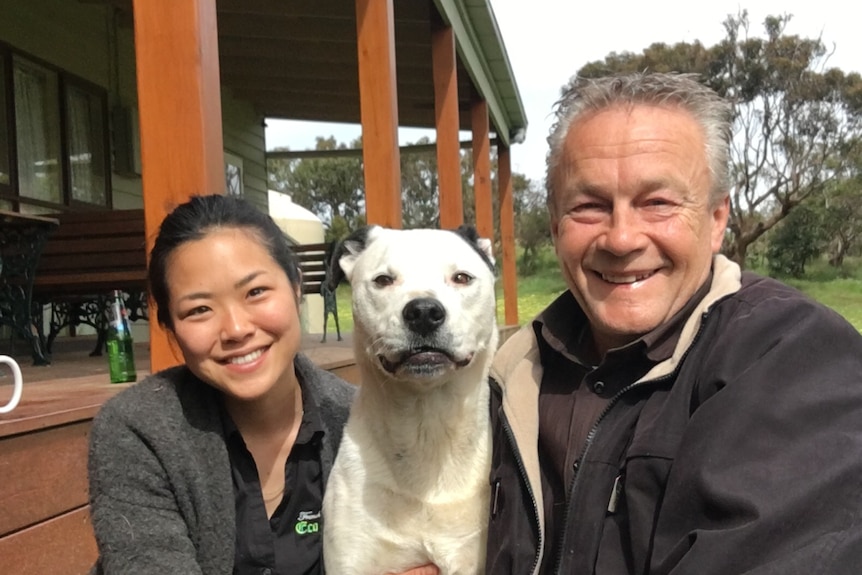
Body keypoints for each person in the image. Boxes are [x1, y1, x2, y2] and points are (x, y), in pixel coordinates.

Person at [484, 72, 862, 574]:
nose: (621, 239)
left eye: (657, 203)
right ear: (555, 226)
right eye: (589, 206)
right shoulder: (509, 373)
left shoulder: (791, 356)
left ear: (717, 219)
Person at [87, 195, 435, 575]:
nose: (236, 329)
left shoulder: (365, 424)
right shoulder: (138, 432)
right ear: (170, 326)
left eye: (255, 292)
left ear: (297, 286)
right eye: (199, 310)